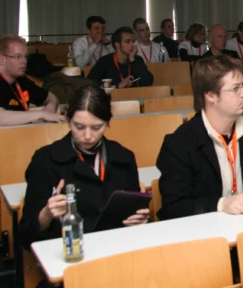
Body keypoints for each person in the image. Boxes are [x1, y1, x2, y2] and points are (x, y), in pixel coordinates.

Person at [20, 86, 148, 250]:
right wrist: (46, 214)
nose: (87, 136)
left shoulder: (124, 157)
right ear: (68, 121)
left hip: (117, 249)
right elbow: (24, 236)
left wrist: (140, 221)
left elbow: (135, 215)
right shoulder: (45, 161)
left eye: (96, 127)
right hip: (69, 253)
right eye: (79, 127)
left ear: (108, 123)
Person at [156, 55, 243, 219]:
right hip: (205, 235)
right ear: (211, 96)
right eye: (235, 88)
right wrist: (222, 204)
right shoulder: (179, 143)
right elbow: (174, 207)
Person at [0, 35, 65, 128]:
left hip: (21, 135)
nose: (24, 61)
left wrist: (50, 107)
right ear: (2, 59)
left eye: (25, 57)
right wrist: (41, 114)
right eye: (18, 57)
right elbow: (0, 119)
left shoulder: (21, 81)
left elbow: (51, 97)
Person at [88, 27, 154, 88]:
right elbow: (90, 83)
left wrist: (132, 60)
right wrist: (117, 86)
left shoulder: (136, 60)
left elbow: (148, 82)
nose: (132, 45)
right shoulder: (105, 61)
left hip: (134, 98)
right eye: (127, 41)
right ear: (117, 45)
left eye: (133, 41)